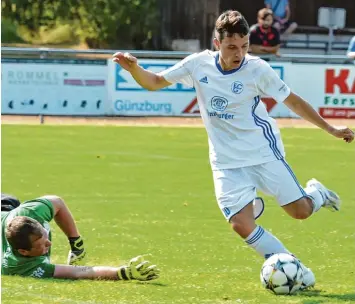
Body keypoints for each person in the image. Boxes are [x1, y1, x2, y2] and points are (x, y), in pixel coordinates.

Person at [112, 10, 354, 289]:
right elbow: (154, 82)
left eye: (244, 46)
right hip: (225, 161)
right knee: (241, 224)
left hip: (262, 152)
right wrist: (133, 70)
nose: (239, 53)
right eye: (231, 47)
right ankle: (294, 268)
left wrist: (330, 129)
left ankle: (317, 194)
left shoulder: (258, 69)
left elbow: (293, 101)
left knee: (300, 211)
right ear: (217, 43)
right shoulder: (198, 65)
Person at [1, 195, 160, 280]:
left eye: (46, 236)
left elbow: (57, 202)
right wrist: (122, 273)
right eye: (42, 245)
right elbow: (78, 272)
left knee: (11, 200)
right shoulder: (20, 267)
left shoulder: (32, 213)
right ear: (24, 252)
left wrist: (76, 244)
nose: (49, 243)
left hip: (7, 204)